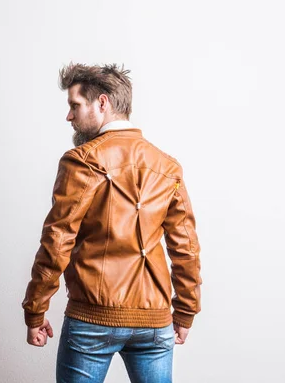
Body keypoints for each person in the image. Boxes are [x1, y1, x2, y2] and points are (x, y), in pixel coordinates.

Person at [21, 62, 202, 383]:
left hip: (93, 317)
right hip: (155, 321)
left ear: (102, 103)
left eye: (74, 105)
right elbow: (185, 247)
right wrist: (186, 310)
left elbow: (57, 241)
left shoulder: (82, 160)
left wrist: (35, 309)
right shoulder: (167, 166)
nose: (69, 116)